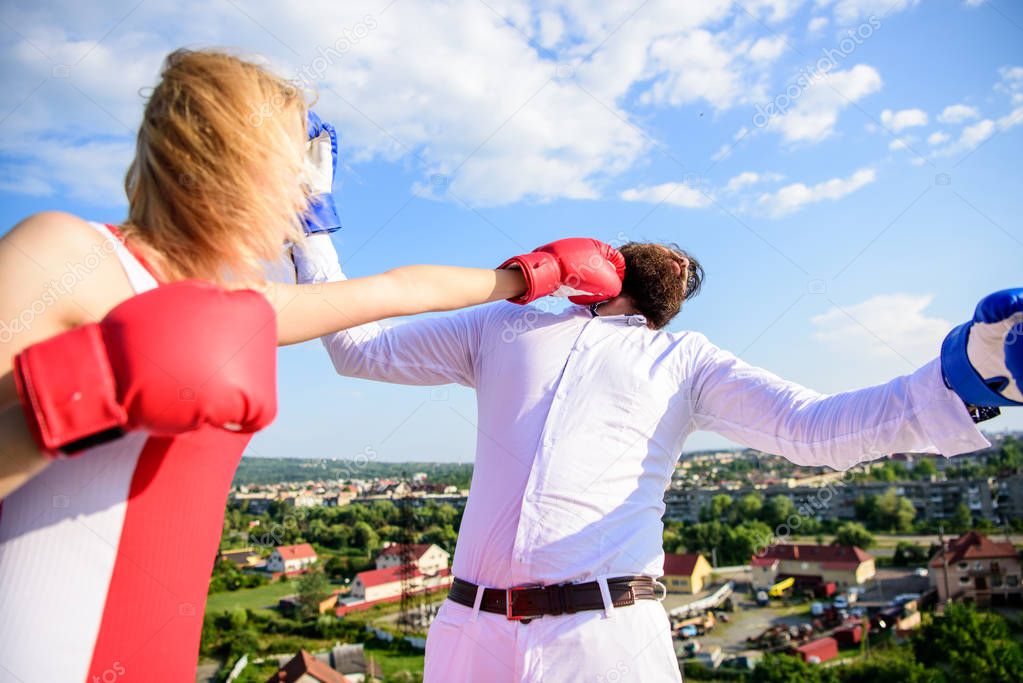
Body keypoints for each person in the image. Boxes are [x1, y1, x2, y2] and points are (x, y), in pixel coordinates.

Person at [0, 49, 624, 682]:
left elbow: (397, 291)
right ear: (234, 158)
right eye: (296, 167)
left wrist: (531, 275)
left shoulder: (240, 311)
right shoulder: (66, 253)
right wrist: (85, 393)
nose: (306, 190)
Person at [293, 228, 1021, 681]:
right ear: (598, 266)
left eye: (689, 268)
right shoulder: (498, 329)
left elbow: (813, 428)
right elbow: (355, 346)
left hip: (604, 641)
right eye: (666, 247)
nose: (679, 257)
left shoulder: (683, 360)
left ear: (673, 301)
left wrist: (963, 377)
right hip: (465, 634)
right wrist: (312, 223)